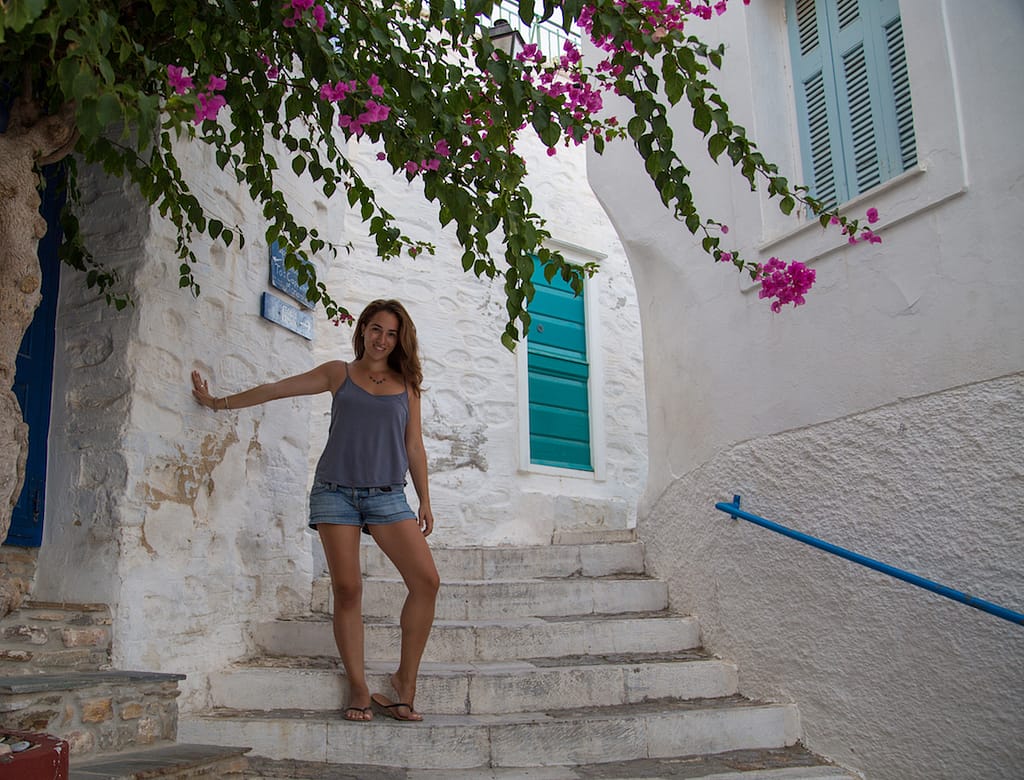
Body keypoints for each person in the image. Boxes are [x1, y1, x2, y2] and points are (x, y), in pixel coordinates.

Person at [191, 299, 440, 723]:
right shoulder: (337, 373)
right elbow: (278, 388)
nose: (382, 339)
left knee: (427, 581)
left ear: (400, 339)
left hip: (386, 496)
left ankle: (404, 683)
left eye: (392, 333)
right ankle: (359, 688)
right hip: (335, 494)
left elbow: (413, 445)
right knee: (347, 590)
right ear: (362, 329)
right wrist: (218, 403)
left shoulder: (407, 384)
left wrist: (425, 499)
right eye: (376, 329)